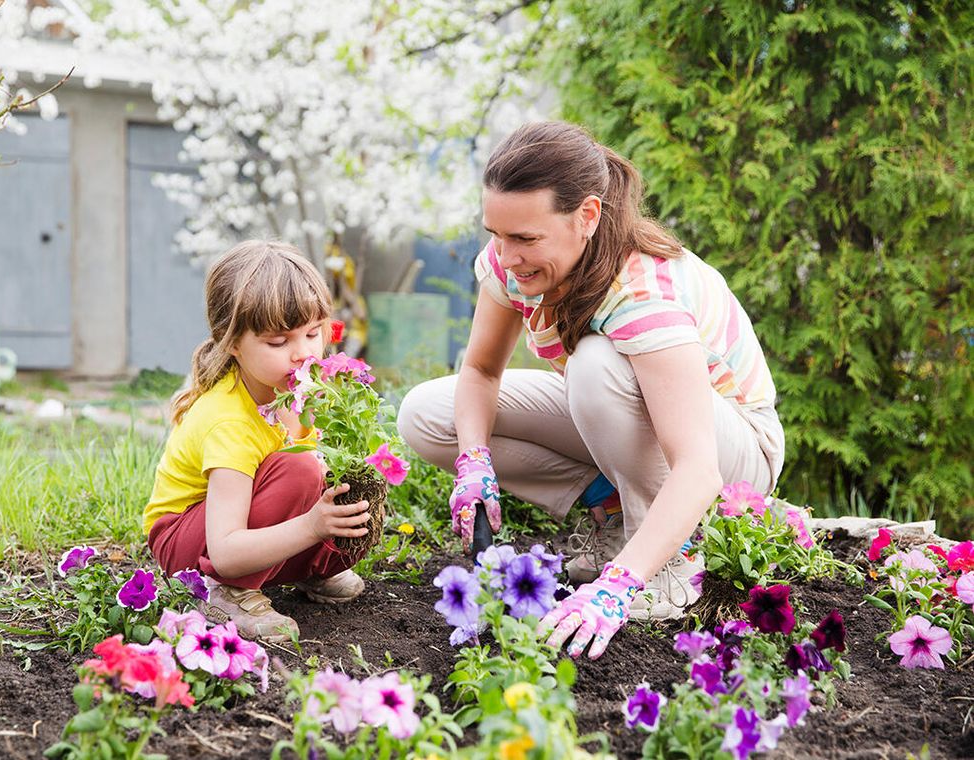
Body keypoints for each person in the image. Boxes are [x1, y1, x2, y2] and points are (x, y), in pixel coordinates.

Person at [398, 121, 784, 659]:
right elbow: (481, 372)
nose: (506, 258)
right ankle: (612, 515)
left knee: (596, 364)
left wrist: (615, 587)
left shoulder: (643, 290)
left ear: (587, 216)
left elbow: (697, 467)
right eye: (496, 234)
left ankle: (668, 561)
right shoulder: (513, 264)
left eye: (526, 239)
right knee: (427, 414)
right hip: (639, 423)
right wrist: (474, 462)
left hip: (736, 451)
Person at [143, 240, 372, 643]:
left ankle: (298, 572)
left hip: (240, 524)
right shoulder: (229, 421)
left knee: (337, 506)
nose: (303, 353)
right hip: (191, 546)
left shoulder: (301, 392)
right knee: (299, 470)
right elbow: (227, 547)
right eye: (278, 342)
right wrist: (310, 526)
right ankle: (225, 591)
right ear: (231, 342)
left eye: (313, 333)